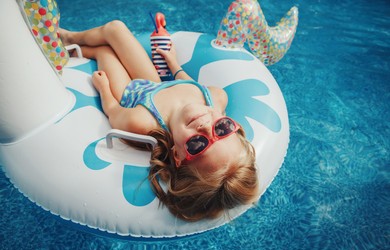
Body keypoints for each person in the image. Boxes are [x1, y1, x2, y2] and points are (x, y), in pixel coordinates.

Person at [60, 20, 259, 221]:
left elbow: (113, 111)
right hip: (153, 83)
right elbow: (188, 84)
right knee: (116, 28)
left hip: (131, 92)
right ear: (233, 123)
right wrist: (173, 63)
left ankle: (64, 49)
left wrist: (103, 88)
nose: (206, 126)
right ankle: (69, 37)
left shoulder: (142, 122)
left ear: (177, 155)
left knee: (104, 52)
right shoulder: (215, 98)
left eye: (198, 144)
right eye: (222, 128)